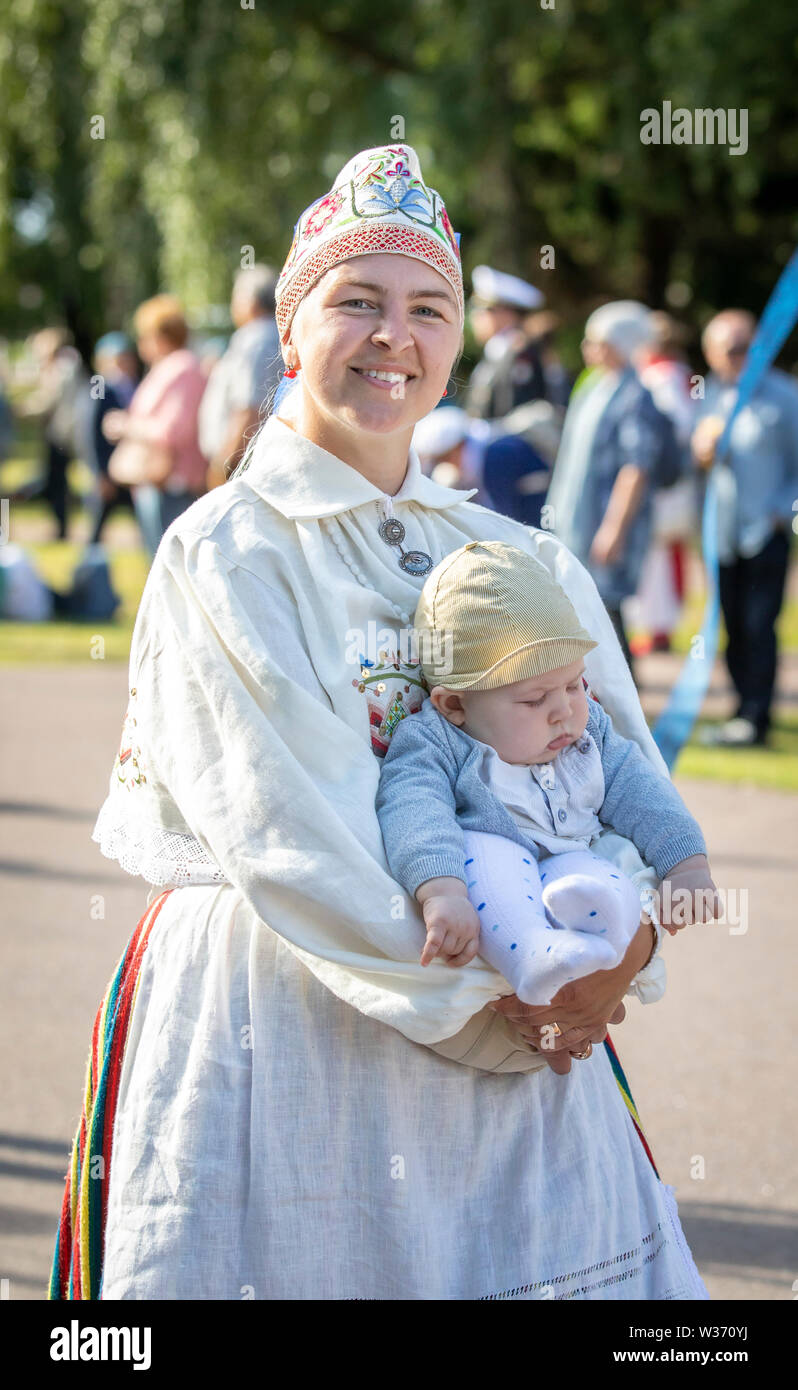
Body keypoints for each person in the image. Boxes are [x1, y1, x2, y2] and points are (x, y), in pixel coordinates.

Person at [51, 143, 708, 1302]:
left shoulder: (519, 555)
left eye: (427, 307)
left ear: (458, 340)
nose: (393, 335)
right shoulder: (227, 545)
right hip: (289, 1023)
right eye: (356, 300)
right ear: (291, 331)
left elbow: (617, 774)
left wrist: (614, 963)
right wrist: (501, 1016)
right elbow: (287, 829)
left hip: (531, 1037)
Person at [376, 540, 719, 1007]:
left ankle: (603, 945)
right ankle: (534, 953)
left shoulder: (589, 728)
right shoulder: (435, 740)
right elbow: (414, 810)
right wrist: (441, 890)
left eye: (574, 685)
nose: (563, 712)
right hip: (492, 864)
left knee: (599, 878)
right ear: (456, 704)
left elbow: (641, 791)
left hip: (571, 857)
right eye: (535, 699)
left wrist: (687, 863)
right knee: (485, 858)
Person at [545, 301, 674, 679]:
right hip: (578, 521)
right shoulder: (595, 387)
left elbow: (636, 468)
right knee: (583, 609)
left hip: (604, 523)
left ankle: (624, 707)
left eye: (596, 340)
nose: (588, 348)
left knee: (607, 614)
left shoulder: (636, 396)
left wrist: (614, 529)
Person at [692, 309, 798, 747]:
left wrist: (781, 512)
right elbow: (697, 465)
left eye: (744, 346)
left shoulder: (785, 395)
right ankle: (741, 709)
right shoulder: (711, 395)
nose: (738, 357)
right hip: (722, 534)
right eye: (728, 349)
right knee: (732, 625)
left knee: (759, 626)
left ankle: (758, 717)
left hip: (764, 533)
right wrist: (701, 451)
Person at [102, 295, 207, 558]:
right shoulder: (172, 367)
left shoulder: (182, 368)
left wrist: (126, 426)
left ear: (160, 335)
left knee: (170, 566)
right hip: (159, 484)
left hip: (172, 485)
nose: (140, 344)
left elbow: (173, 432)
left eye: (144, 336)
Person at [629, 312, 698, 656]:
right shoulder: (681, 372)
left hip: (662, 484)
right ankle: (658, 626)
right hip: (673, 482)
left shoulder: (661, 375)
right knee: (665, 553)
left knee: (656, 554)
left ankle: (658, 628)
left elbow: (673, 431)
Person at [198, 265, 283, 488]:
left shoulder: (256, 339)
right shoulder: (272, 334)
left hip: (244, 466)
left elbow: (249, 408)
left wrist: (223, 464)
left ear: (250, 301)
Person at [16, 328, 88, 539]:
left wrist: (23, 409)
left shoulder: (63, 368)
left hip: (62, 436)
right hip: (62, 433)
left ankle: (61, 529)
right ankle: (60, 527)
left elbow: (49, 401)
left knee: (57, 484)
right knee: (57, 483)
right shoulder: (69, 365)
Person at [465, 266, 547, 419]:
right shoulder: (497, 353)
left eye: (481, 309)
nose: (474, 316)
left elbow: (515, 418)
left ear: (506, 314)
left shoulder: (519, 355)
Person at [84, 332, 140, 545]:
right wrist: (99, 472)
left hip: (130, 466)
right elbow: (91, 431)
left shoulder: (134, 384)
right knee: (98, 522)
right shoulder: (100, 385)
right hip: (108, 467)